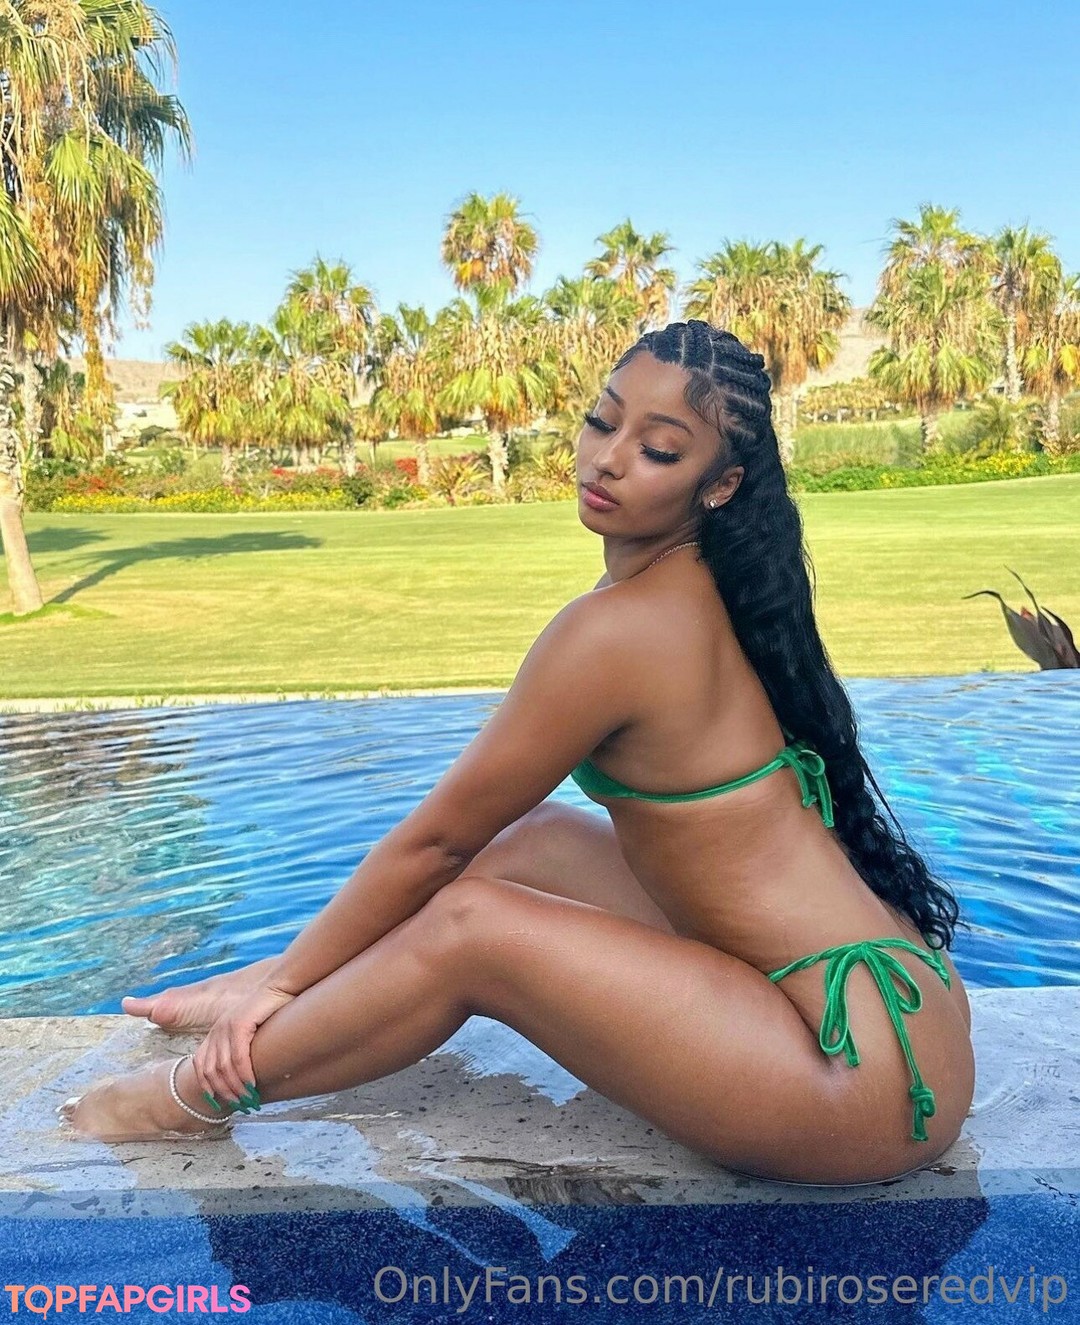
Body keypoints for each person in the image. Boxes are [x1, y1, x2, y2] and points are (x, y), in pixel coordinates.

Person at [60, 320, 975, 1185]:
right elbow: (480, 834)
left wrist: (292, 982)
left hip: (862, 1079)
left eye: (659, 450)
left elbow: (436, 842)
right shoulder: (713, 587)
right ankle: (258, 987)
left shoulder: (617, 632)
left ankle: (191, 1096)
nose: (609, 459)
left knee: (475, 926)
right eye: (603, 421)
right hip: (905, 1008)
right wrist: (283, 978)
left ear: (720, 484)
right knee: (533, 839)